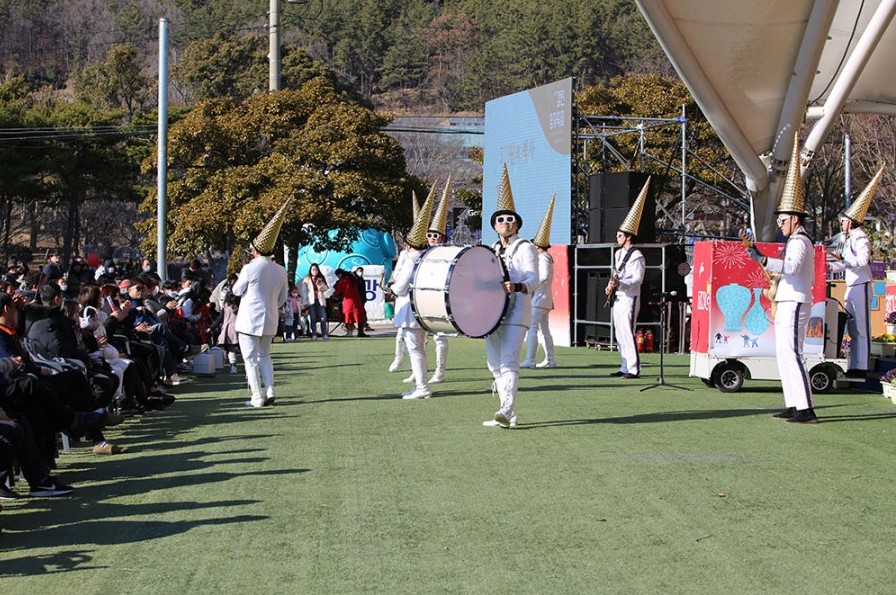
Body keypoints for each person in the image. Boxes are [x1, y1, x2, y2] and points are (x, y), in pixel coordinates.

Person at [748, 139, 817, 424]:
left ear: (795, 219)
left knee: (793, 353)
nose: (780, 224)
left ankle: (806, 407)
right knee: (784, 353)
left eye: (783, 220)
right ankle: (794, 403)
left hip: (796, 300)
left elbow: (791, 267)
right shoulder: (794, 241)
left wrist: (764, 260)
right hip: (788, 299)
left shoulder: (800, 241)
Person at [483, 165, 538, 428]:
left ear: (516, 224)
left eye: (510, 219)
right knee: (494, 364)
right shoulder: (491, 248)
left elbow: (534, 280)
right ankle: (509, 415)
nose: (506, 223)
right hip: (493, 313)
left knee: (508, 361)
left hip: (516, 311)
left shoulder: (525, 247)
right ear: (495, 226)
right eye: (501, 219)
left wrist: (516, 286)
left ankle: (506, 409)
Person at [232, 200, 290, 408]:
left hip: (249, 319)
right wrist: (272, 305)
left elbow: (236, 290)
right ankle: (270, 389)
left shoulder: (249, 268)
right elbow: (283, 297)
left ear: (256, 250)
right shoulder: (280, 270)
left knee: (250, 359)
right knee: (265, 356)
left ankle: (257, 397)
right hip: (270, 318)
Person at [828, 166, 882, 379]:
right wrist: (830, 267)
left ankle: (862, 366)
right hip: (852, 284)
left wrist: (842, 261)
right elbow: (844, 264)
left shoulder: (860, 238)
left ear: (850, 221)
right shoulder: (848, 239)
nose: (841, 223)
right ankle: (855, 364)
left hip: (861, 284)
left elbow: (861, 260)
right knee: (852, 326)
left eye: (843, 220)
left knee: (861, 326)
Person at [391, 186, 437, 399]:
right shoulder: (429, 257)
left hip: (410, 310)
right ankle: (422, 384)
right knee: (420, 348)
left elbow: (400, 287)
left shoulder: (411, 259)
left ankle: (422, 387)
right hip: (424, 308)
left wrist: (391, 288)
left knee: (415, 349)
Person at [606, 179, 648, 380]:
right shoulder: (618, 254)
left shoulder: (637, 256)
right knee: (619, 332)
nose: (617, 237)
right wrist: (611, 286)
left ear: (629, 236)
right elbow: (616, 274)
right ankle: (624, 365)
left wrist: (621, 283)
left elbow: (638, 279)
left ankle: (633, 368)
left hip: (630, 297)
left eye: (620, 235)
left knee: (628, 331)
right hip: (619, 297)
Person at [521, 194, 556, 369]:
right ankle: (550, 359)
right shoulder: (546, 258)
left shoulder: (543, 258)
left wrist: (530, 286)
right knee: (544, 329)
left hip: (539, 298)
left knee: (533, 327)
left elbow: (543, 277)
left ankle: (530, 359)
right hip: (544, 298)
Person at [332, 269, 367, 337]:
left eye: (338, 276)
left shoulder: (344, 279)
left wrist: (334, 294)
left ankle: (349, 332)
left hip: (348, 300)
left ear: (340, 274)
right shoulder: (352, 277)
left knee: (348, 315)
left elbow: (340, 289)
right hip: (357, 299)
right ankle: (361, 332)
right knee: (359, 315)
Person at [301, 263, 331, 340]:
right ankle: (314, 334)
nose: (315, 271)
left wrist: (320, 285)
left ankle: (324, 334)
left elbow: (326, 288)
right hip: (311, 301)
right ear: (310, 270)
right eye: (313, 270)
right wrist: (305, 302)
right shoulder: (307, 279)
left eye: (316, 270)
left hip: (320, 300)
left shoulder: (321, 278)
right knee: (313, 318)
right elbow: (304, 291)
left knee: (323, 318)